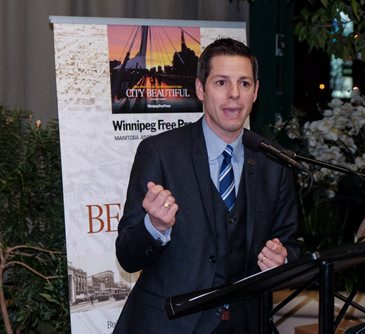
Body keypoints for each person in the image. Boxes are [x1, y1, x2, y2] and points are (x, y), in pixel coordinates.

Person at [113, 38, 300, 333]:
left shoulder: (274, 162)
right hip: (169, 325)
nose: (234, 95)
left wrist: (283, 257)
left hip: (246, 325)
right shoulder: (159, 152)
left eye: (245, 84)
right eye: (221, 83)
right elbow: (127, 254)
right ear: (201, 89)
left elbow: (292, 245)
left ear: (256, 92)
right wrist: (155, 227)